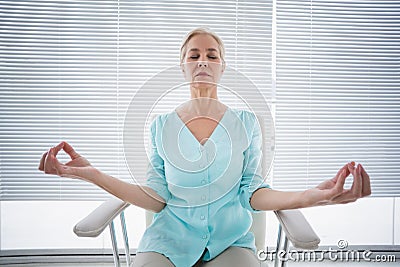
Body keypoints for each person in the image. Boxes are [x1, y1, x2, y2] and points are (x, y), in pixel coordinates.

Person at [38, 27, 371, 267]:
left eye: (212, 55)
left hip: (231, 243)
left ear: (222, 67)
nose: (203, 61)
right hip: (168, 242)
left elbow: (252, 192)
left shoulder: (246, 122)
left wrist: (314, 195)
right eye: (193, 55)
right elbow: (155, 197)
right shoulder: (160, 126)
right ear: (182, 66)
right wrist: (91, 174)